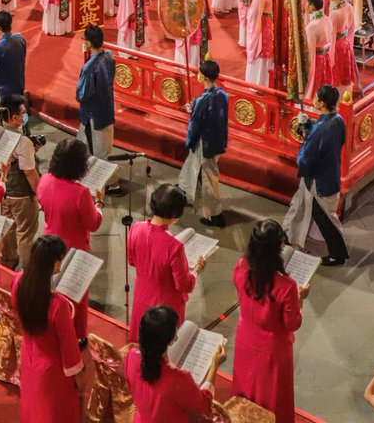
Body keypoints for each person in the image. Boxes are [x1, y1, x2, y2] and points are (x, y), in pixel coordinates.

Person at [232, 219, 305, 423]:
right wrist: (300, 300)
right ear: (279, 247)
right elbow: (292, 323)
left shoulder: (240, 267)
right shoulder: (286, 286)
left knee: (246, 389)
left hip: (246, 337)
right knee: (273, 398)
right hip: (273, 348)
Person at [37, 137, 104, 339]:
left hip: (49, 240)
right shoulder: (81, 193)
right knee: (76, 296)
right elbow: (93, 223)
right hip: (74, 248)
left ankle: (54, 327)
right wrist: (99, 202)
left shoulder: (45, 180)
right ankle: (76, 335)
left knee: (53, 290)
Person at [12, 235, 84, 422]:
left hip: (30, 355)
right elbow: (68, 346)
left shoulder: (19, 281)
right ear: (53, 263)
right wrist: (78, 375)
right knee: (53, 412)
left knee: (33, 407)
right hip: (53, 370)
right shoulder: (58, 305)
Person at [128, 185, 205, 341]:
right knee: (163, 350)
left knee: (141, 344)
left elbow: (132, 260)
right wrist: (196, 270)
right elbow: (184, 285)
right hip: (165, 308)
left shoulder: (136, 228)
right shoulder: (174, 246)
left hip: (141, 297)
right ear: (175, 216)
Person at [284, 85, 350, 266]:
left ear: (321, 103)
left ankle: (338, 253)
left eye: (316, 97)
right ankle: (289, 235)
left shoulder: (321, 129)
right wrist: (308, 125)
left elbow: (306, 156)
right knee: (298, 205)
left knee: (325, 217)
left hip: (317, 179)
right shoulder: (338, 120)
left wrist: (301, 162)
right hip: (330, 172)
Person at [127, 305, 223, 422]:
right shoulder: (178, 379)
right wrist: (214, 364)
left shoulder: (131, 356)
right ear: (173, 339)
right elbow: (204, 405)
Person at [180, 60, 229, 227]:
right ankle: (183, 191)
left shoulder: (204, 100)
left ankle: (215, 214)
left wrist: (189, 141)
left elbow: (195, 124)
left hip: (206, 143)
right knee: (196, 169)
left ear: (205, 77)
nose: (197, 75)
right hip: (218, 141)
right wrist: (195, 107)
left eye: (200, 73)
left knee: (209, 179)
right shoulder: (222, 94)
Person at [0, 94, 42, 269]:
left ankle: (8, 262)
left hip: (4, 191)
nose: (25, 116)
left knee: (8, 229)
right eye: (23, 113)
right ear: (15, 118)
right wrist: (40, 194)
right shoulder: (22, 142)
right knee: (25, 233)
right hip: (22, 195)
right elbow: (29, 172)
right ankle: (28, 269)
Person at [77, 24, 116, 161]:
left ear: (88, 42)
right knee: (106, 149)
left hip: (93, 115)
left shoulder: (89, 67)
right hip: (107, 110)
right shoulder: (109, 58)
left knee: (94, 153)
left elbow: (82, 94)